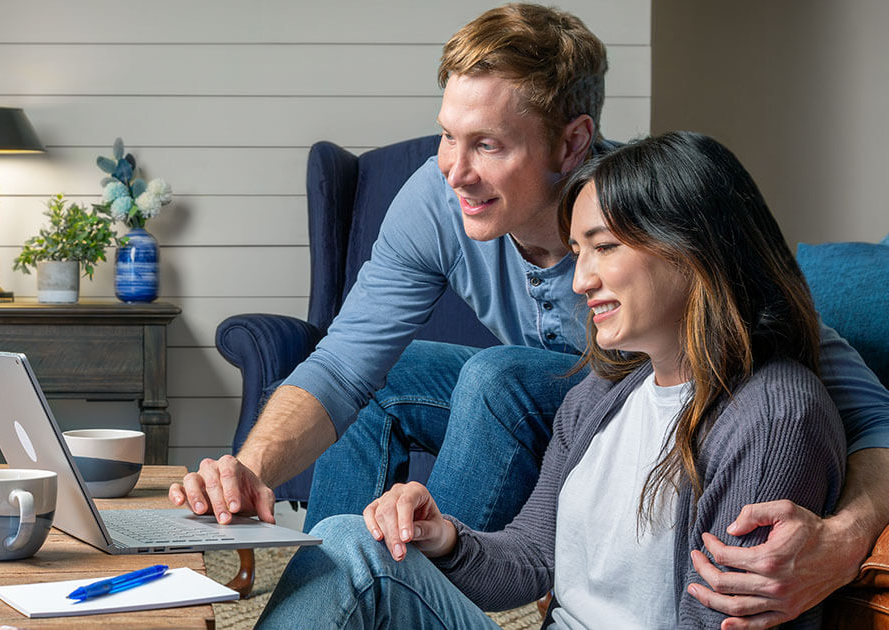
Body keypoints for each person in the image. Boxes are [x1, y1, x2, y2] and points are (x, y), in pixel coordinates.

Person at [169, 4, 889, 626]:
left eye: (486, 144)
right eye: (448, 134)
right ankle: (371, 577)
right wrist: (251, 472)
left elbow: (863, 412)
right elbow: (344, 362)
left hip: (601, 388)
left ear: (572, 142)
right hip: (604, 398)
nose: (453, 168)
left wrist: (846, 535)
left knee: (499, 372)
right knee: (375, 449)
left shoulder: (675, 238)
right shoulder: (446, 207)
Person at [257, 130, 847, 629]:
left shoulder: (772, 415)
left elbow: (719, 616)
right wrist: (445, 537)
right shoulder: (604, 392)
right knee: (346, 540)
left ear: (692, 250)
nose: (580, 279)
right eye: (575, 252)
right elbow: (533, 557)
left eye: (604, 249)